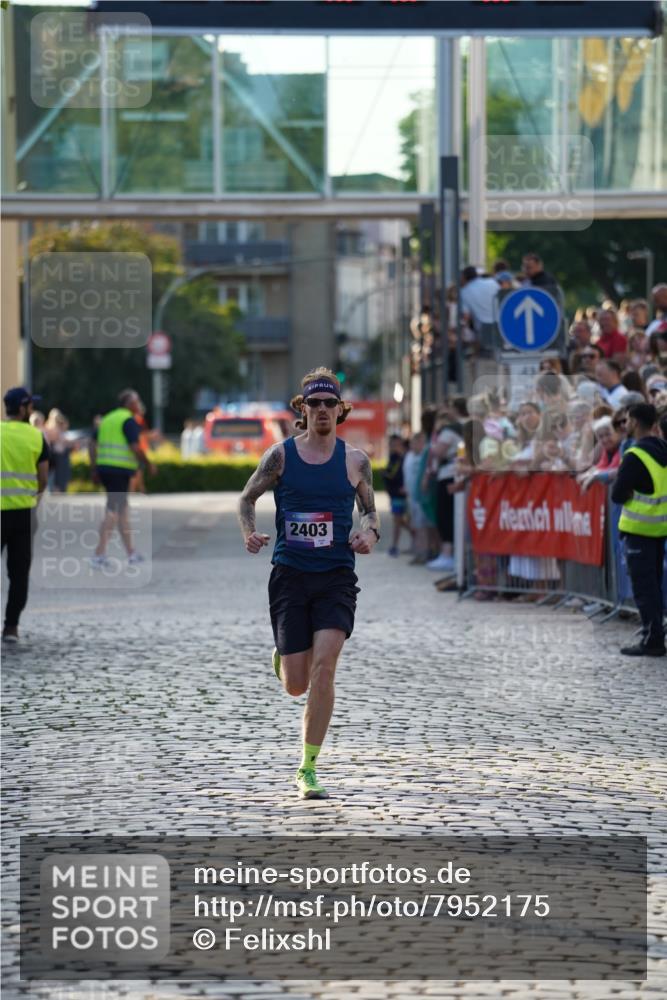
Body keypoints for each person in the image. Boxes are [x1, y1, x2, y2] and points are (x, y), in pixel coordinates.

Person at [238, 368, 379, 800]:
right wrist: (249, 532)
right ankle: (284, 657)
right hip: (290, 576)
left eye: (329, 403)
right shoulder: (279, 457)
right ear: (303, 410)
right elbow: (247, 497)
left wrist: (368, 534)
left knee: (325, 666)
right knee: (296, 683)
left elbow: (370, 512)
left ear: (340, 410)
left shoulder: (355, 461)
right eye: (313, 403)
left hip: (337, 576)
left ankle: (308, 767)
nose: (322, 410)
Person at [611, 403, 667, 656]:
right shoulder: (663, 448)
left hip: (640, 529)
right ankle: (655, 634)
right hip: (660, 529)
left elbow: (618, 494)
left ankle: (652, 639)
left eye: (627, 420)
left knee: (645, 589)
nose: (625, 424)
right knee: (654, 585)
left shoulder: (635, 455)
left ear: (634, 421)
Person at [1, 387, 49, 642]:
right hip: (22, 514)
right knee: (18, 574)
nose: (31, 409)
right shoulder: (37, 438)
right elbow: (42, 480)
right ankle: (11, 627)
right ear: (22, 408)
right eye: (30, 405)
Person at [89, 389, 156, 567]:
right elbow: (135, 446)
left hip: (106, 469)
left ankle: (131, 553)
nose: (139, 404)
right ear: (129, 404)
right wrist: (148, 464)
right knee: (113, 511)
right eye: (136, 400)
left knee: (122, 511)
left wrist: (94, 468)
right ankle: (98, 554)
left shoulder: (108, 419)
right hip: (118, 471)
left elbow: (91, 443)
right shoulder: (128, 420)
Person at [459, 265, 500, 357]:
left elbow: (466, 315)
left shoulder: (464, 292)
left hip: (482, 329)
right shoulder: (492, 282)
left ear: (464, 277)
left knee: (486, 359)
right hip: (501, 325)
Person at [382, 434, 409, 557]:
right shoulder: (394, 457)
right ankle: (414, 534)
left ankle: (394, 545)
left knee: (397, 520)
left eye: (395, 444)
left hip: (399, 494)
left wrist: (384, 473)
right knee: (398, 519)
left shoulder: (401, 458)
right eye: (391, 444)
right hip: (394, 494)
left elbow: (393, 475)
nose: (393, 447)